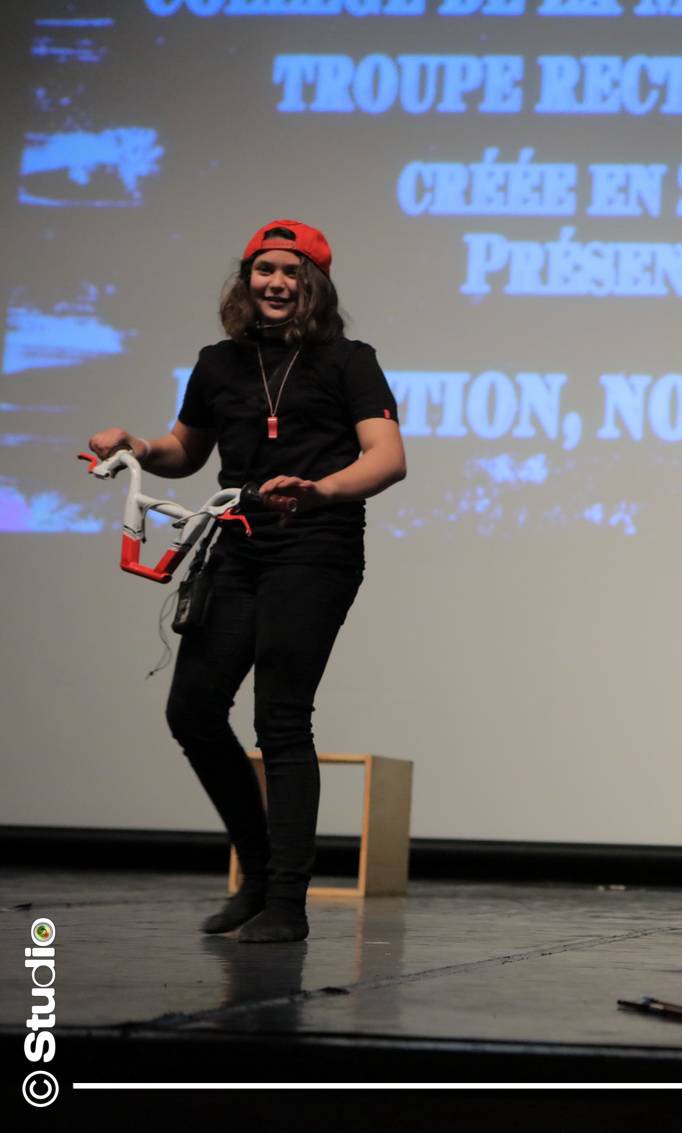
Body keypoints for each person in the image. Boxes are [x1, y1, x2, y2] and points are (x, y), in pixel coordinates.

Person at [87, 220, 405, 944]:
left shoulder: (348, 360)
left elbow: (387, 458)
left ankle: (288, 901)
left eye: (292, 272)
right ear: (246, 279)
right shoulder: (218, 362)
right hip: (236, 544)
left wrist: (320, 491)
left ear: (315, 285)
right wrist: (136, 445)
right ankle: (258, 873)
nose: (276, 283)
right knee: (193, 710)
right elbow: (184, 451)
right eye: (265, 269)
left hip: (315, 547)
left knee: (281, 719)